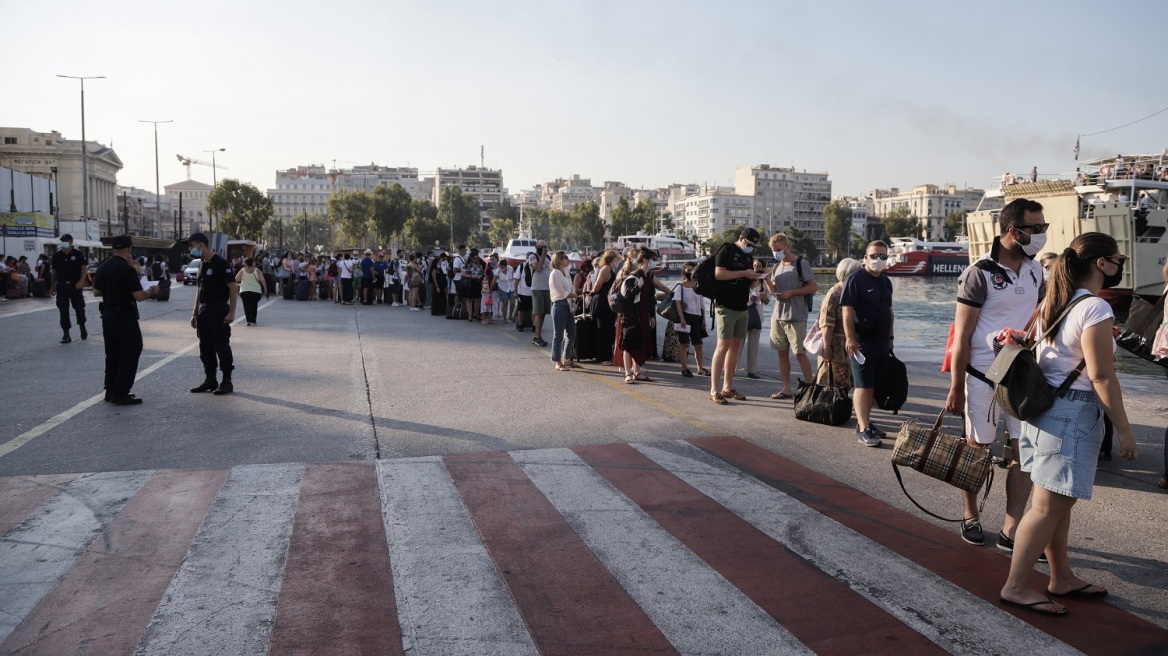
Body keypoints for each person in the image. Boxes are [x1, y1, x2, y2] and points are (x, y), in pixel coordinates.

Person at [998, 232, 1138, 617]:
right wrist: (1123, 429)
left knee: (1057, 503)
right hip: (1071, 414)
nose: (1119, 265)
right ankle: (1016, 586)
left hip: (1043, 411)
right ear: (1101, 263)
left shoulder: (1055, 302)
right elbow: (1102, 377)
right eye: (1117, 258)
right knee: (1045, 507)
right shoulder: (1095, 309)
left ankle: (1060, 576)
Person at [944, 199, 1048, 548]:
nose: (1042, 234)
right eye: (1036, 228)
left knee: (1025, 453)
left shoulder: (1036, 271)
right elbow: (961, 337)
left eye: (1043, 227)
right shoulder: (980, 272)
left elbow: (1039, 321)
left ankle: (1011, 528)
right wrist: (956, 387)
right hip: (981, 378)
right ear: (1012, 231)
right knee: (978, 450)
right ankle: (970, 515)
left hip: (1020, 378)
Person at [92, 235, 160, 405]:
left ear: (113, 248)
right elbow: (139, 296)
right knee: (132, 349)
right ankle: (120, 391)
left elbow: (96, 292)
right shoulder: (127, 269)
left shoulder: (103, 266)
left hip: (107, 313)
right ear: (129, 249)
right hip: (123, 314)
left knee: (113, 352)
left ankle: (110, 389)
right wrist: (152, 290)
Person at [841, 240, 895, 446]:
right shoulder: (855, 280)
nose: (878, 260)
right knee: (862, 386)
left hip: (881, 342)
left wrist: (890, 337)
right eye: (874, 256)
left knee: (872, 386)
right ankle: (863, 428)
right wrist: (850, 338)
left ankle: (866, 422)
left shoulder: (886, 282)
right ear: (865, 258)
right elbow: (846, 311)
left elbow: (889, 312)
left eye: (882, 256)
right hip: (861, 343)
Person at [709, 228, 766, 404]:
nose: (750, 248)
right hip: (725, 306)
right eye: (748, 244)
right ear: (741, 238)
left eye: (753, 246)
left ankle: (727, 387)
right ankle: (714, 390)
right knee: (723, 346)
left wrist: (758, 277)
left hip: (743, 306)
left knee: (735, 346)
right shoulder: (727, 250)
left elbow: (748, 284)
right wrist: (744, 273)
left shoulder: (747, 257)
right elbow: (719, 274)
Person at [765, 233, 818, 398]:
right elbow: (773, 291)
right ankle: (786, 388)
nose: (776, 253)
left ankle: (811, 389)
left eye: (778, 249)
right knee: (782, 352)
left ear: (786, 247)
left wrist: (792, 293)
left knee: (799, 353)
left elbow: (813, 287)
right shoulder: (776, 267)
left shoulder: (801, 264)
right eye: (773, 250)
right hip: (778, 315)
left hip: (796, 315)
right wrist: (766, 279)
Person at [186, 233, 238, 396]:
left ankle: (227, 381)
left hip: (219, 310)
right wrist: (195, 313)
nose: (190, 249)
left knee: (221, 346)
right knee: (205, 347)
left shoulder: (221, 264)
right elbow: (199, 290)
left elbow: (232, 288)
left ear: (200, 245)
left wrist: (231, 312)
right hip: (204, 311)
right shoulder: (202, 264)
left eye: (191, 245)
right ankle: (210, 379)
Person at [615, 248, 672, 383]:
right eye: (653, 259)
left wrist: (651, 315)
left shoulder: (648, 277)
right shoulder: (633, 277)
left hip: (643, 316)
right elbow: (627, 296)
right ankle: (628, 373)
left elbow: (651, 299)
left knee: (640, 344)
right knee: (628, 344)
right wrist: (637, 287)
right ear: (646, 260)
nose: (655, 262)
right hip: (631, 316)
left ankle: (638, 372)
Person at [816, 258, 861, 393]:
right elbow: (826, 325)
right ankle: (831, 410)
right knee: (833, 383)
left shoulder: (850, 293)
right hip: (836, 349)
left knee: (845, 383)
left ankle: (840, 409)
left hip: (847, 349)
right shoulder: (834, 295)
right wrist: (827, 347)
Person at [51, 234, 89, 343]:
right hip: (62, 285)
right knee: (63, 309)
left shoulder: (77, 254)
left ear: (71, 242)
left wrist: (81, 281)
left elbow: (84, 268)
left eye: (66, 241)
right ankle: (66, 334)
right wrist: (52, 286)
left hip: (75, 285)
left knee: (79, 307)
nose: (63, 242)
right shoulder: (57, 256)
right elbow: (55, 271)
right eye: (62, 241)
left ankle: (82, 326)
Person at [674, 261, 709, 377]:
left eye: (691, 269)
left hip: (696, 317)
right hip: (684, 317)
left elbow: (702, 304)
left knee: (698, 344)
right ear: (684, 271)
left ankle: (700, 368)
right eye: (687, 270)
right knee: (684, 344)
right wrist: (682, 318)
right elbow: (678, 304)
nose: (689, 272)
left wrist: (703, 319)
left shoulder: (698, 285)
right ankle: (685, 368)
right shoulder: (680, 286)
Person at [549, 251, 580, 371]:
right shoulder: (554, 274)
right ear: (559, 260)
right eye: (565, 258)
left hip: (568, 305)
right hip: (559, 304)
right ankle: (557, 361)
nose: (568, 260)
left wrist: (573, 295)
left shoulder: (566, 272)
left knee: (571, 333)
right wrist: (573, 294)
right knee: (558, 335)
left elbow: (571, 287)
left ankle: (567, 358)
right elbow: (561, 292)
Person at [739, 258, 770, 379]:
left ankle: (751, 370)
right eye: (754, 266)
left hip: (757, 316)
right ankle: (732, 367)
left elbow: (767, 301)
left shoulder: (764, 283)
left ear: (762, 268)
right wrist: (748, 299)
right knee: (738, 343)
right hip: (742, 314)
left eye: (758, 266)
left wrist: (761, 298)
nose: (756, 268)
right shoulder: (744, 281)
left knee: (753, 345)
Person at [588, 250, 620, 365]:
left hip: (607, 303)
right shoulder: (606, 268)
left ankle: (607, 355)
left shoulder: (611, 269)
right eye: (617, 258)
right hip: (602, 301)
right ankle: (602, 357)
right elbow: (597, 285)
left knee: (608, 329)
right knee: (603, 329)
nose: (618, 260)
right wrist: (592, 292)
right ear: (613, 258)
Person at [528, 240, 552, 346]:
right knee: (538, 313)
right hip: (537, 288)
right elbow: (538, 268)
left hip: (547, 289)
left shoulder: (548, 258)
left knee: (543, 313)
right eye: (541, 247)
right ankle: (537, 336)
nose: (543, 249)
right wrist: (542, 255)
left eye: (544, 247)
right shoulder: (533, 257)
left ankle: (537, 335)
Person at [235, 257, 266, 326]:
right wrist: (265, 289)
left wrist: (235, 287)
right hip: (256, 291)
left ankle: (248, 321)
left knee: (246, 305)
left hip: (244, 291)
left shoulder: (242, 270)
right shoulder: (257, 270)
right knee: (254, 304)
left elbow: (236, 279)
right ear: (253, 262)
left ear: (245, 263)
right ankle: (253, 319)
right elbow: (263, 280)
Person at [514, 252, 534, 332]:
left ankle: (534, 325)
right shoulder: (521, 266)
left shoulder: (536, 266)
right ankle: (521, 324)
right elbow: (516, 280)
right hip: (523, 292)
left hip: (533, 293)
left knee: (534, 310)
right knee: (521, 310)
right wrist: (516, 292)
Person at [462, 249, 484, 319]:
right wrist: (471, 276)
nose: (476, 259)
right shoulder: (466, 265)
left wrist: (480, 276)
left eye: (477, 258)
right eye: (474, 258)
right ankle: (470, 315)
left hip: (477, 283)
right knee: (469, 299)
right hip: (470, 283)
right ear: (471, 258)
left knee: (478, 299)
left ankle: (476, 313)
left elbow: (482, 273)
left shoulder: (479, 266)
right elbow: (463, 274)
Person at [495, 256, 515, 322]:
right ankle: (504, 318)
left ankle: (510, 316)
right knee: (505, 303)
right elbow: (493, 281)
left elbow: (514, 277)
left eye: (503, 267)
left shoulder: (510, 268)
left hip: (511, 287)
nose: (501, 268)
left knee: (512, 303)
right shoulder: (498, 271)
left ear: (506, 266)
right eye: (500, 267)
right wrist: (490, 289)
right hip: (502, 288)